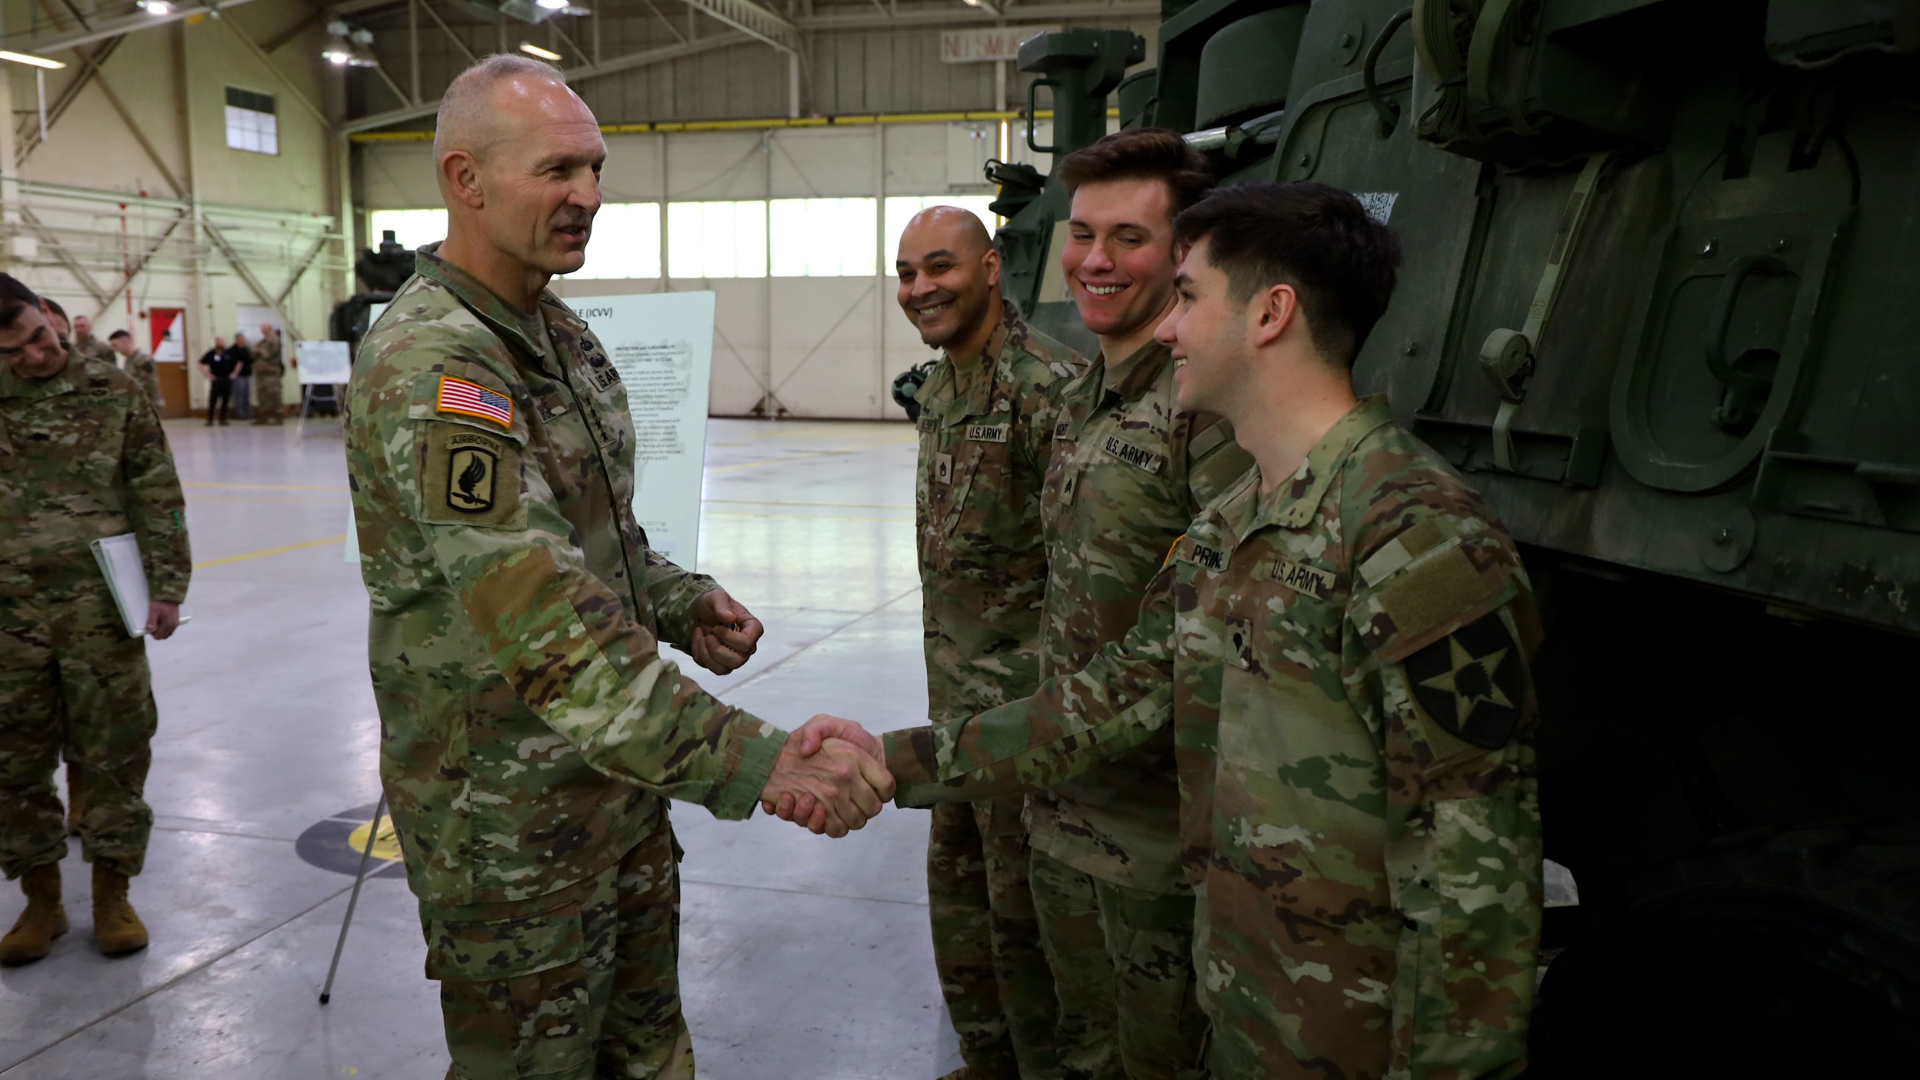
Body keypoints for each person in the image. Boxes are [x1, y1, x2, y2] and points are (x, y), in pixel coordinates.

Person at [787, 181, 1544, 1078]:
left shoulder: (1418, 539)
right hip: (1240, 1007)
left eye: (1187, 296)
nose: (1168, 328)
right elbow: (1111, 699)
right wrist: (895, 760)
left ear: (1270, 314)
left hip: (1355, 1041)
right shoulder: (1229, 526)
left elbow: (1471, 884)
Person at [343, 54, 893, 1080]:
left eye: (594, 169)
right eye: (558, 169)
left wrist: (679, 602)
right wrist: (756, 760)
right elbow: (540, 613)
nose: (589, 195)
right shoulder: (436, 365)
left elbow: (598, 538)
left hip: (615, 788)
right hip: (510, 827)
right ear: (466, 180)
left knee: (648, 1051)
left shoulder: (558, 334)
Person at [1013, 128, 1261, 1080]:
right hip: (1065, 808)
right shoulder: (1088, 392)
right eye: (1082, 235)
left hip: (1160, 842)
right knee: (1083, 1049)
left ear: (1183, 257)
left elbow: (1215, 638)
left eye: (1129, 238)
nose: (1095, 261)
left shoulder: (1208, 413)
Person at [895, 206, 1087, 1080]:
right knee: (962, 906)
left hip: (1025, 727)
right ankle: (987, 1060)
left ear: (990, 267)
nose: (921, 288)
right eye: (906, 274)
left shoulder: (1050, 390)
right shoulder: (941, 390)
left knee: (1029, 929)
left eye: (939, 266)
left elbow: (1083, 577)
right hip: (954, 717)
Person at [0, 273, 191, 965]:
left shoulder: (113, 390)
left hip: (99, 610)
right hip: (7, 617)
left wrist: (167, 587)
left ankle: (113, 896)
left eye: (39, 337)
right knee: (14, 762)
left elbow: (156, 490)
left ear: (47, 316)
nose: (36, 355)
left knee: (115, 754)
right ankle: (41, 901)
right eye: (14, 351)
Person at [108, 330, 163, 412]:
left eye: (115, 345)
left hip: (148, 405)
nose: (114, 350)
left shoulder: (143, 359)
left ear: (125, 341)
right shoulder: (129, 360)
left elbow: (149, 383)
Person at [249, 323, 284, 425]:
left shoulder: (275, 339)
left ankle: (276, 417)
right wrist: (258, 350)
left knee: (273, 394)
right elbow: (253, 352)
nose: (261, 331)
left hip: (271, 372)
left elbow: (269, 354)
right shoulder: (263, 340)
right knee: (263, 395)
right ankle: (264, 417)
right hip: (262, 372)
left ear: (269, 328)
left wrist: (260, 350)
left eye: (263, 329)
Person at [198, 336, 234, 425]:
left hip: (226, 378)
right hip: (216, 379)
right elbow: (201, 363)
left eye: (223, 342)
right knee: (213, 400)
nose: (221, 343)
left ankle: (223, 419)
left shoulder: (229, 353)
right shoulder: (211, 353)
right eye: (220, 342)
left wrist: (234, 374)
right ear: (216, 343)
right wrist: (209, 375)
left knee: (225, 400)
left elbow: (238, 363)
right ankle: (210, 420)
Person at [227, 332, 254, 421]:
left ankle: (247, 412)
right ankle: (240, 413)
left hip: (246, 374)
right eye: (242, 340)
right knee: (239, 395)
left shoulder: (246, 349)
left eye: (244, 339)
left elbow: (250, 360)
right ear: (237, 340)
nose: (244, 341)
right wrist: (234, 373)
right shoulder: (232, 350)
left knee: (246, 394)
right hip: (238, 376)